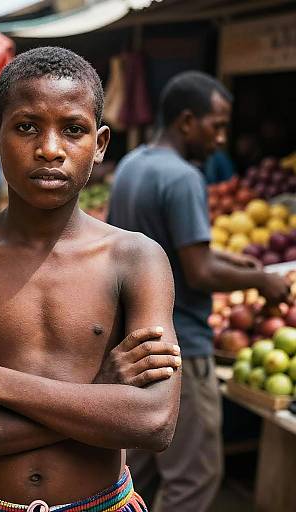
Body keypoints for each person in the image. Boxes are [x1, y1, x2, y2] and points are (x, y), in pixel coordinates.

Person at [0, 47, 182, 512]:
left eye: (73, 130)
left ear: (100, 143)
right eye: (27, 126)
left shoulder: (135, 259)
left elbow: (154, 423)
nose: (50, 148)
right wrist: (100, 399)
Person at [107, 71, 290, 512]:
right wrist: (262, 280)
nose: (222, 138)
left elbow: (166, 248)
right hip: (182, 349)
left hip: (136, 345)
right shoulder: (184, 177)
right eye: (217, 125)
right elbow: (199, 271)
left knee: (138, 473)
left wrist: (235, 263)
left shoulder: (134, 165)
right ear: (187, 121)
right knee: (196, 476)